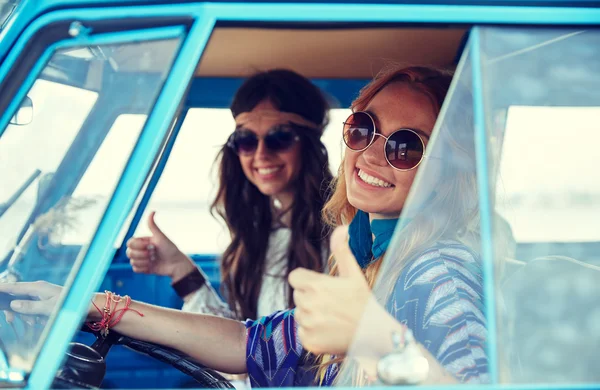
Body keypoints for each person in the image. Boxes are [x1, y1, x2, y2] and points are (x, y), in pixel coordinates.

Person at [1, 65, 487, 386]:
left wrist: (384, 342)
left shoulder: (436, 267)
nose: (373, 153)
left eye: (407, 146)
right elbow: (249, 343)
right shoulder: (365, 253)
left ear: (448, 170)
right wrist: (97, 306)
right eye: (363, 129)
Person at [125, 69, 334, 320]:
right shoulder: (257, 231)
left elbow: (252, 346)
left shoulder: (341, 231)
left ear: (309, 144)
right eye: (246, 140)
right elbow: (245, 339)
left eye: (279, 137)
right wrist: (179, 269)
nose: (260, 154)